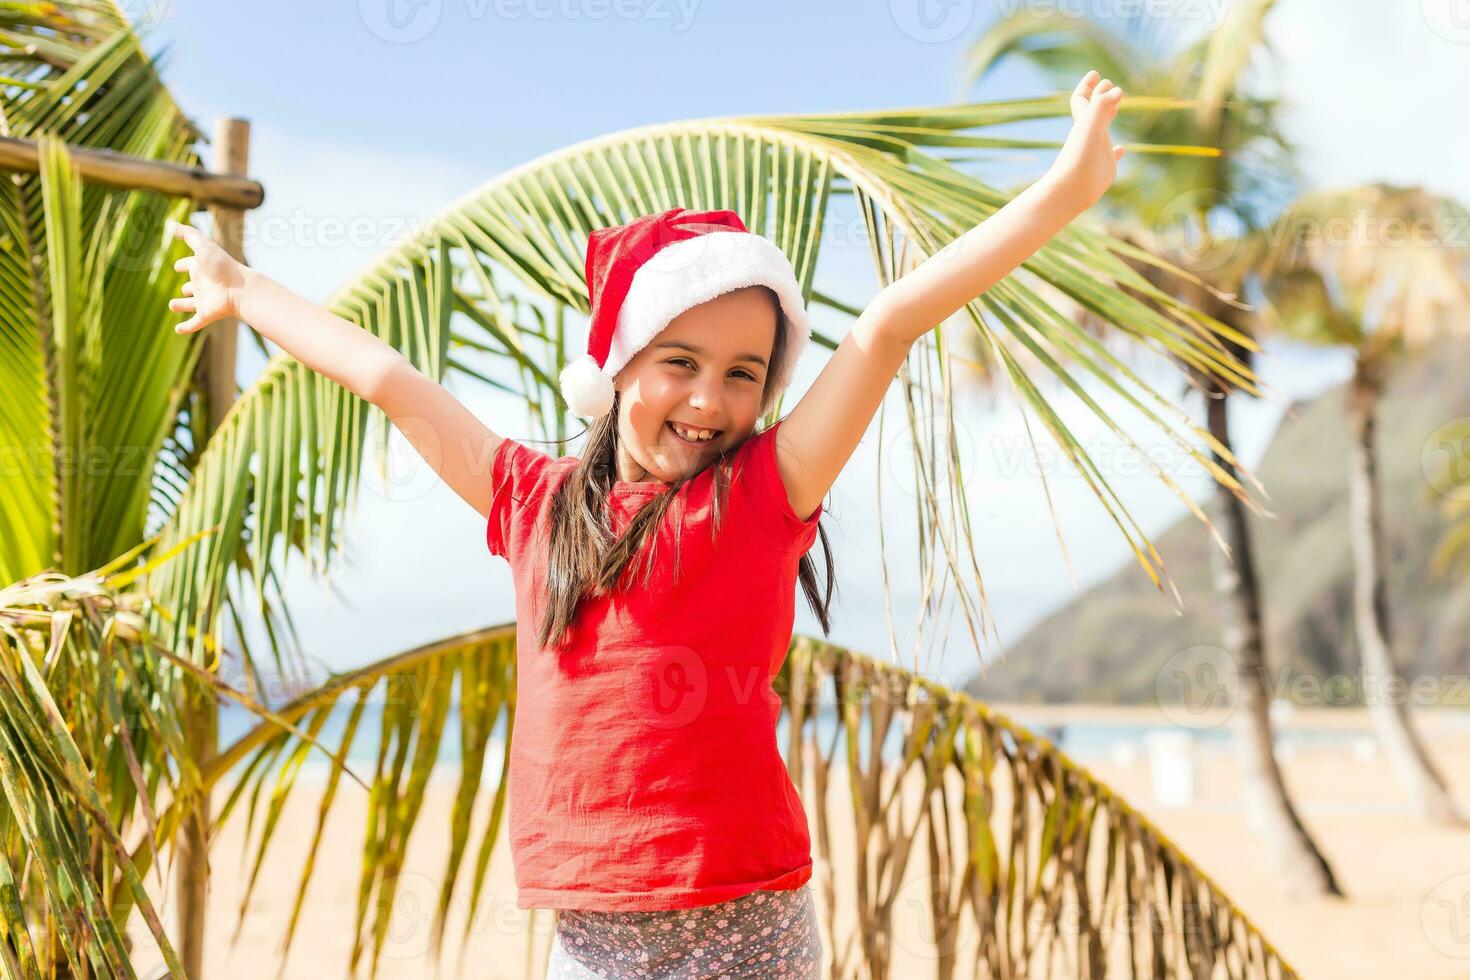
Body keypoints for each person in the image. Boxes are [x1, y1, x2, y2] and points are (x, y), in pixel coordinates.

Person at [165, 70, 1124, 979]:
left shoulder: (761, 493)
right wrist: (246, 292)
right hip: (591, 935)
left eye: (744, 372)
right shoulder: (532, 505)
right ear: (618, 365)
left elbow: (884, 326)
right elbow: (389, 378)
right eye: (680, 361)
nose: (710, 397)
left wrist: (1062, 192)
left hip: (750, 921)